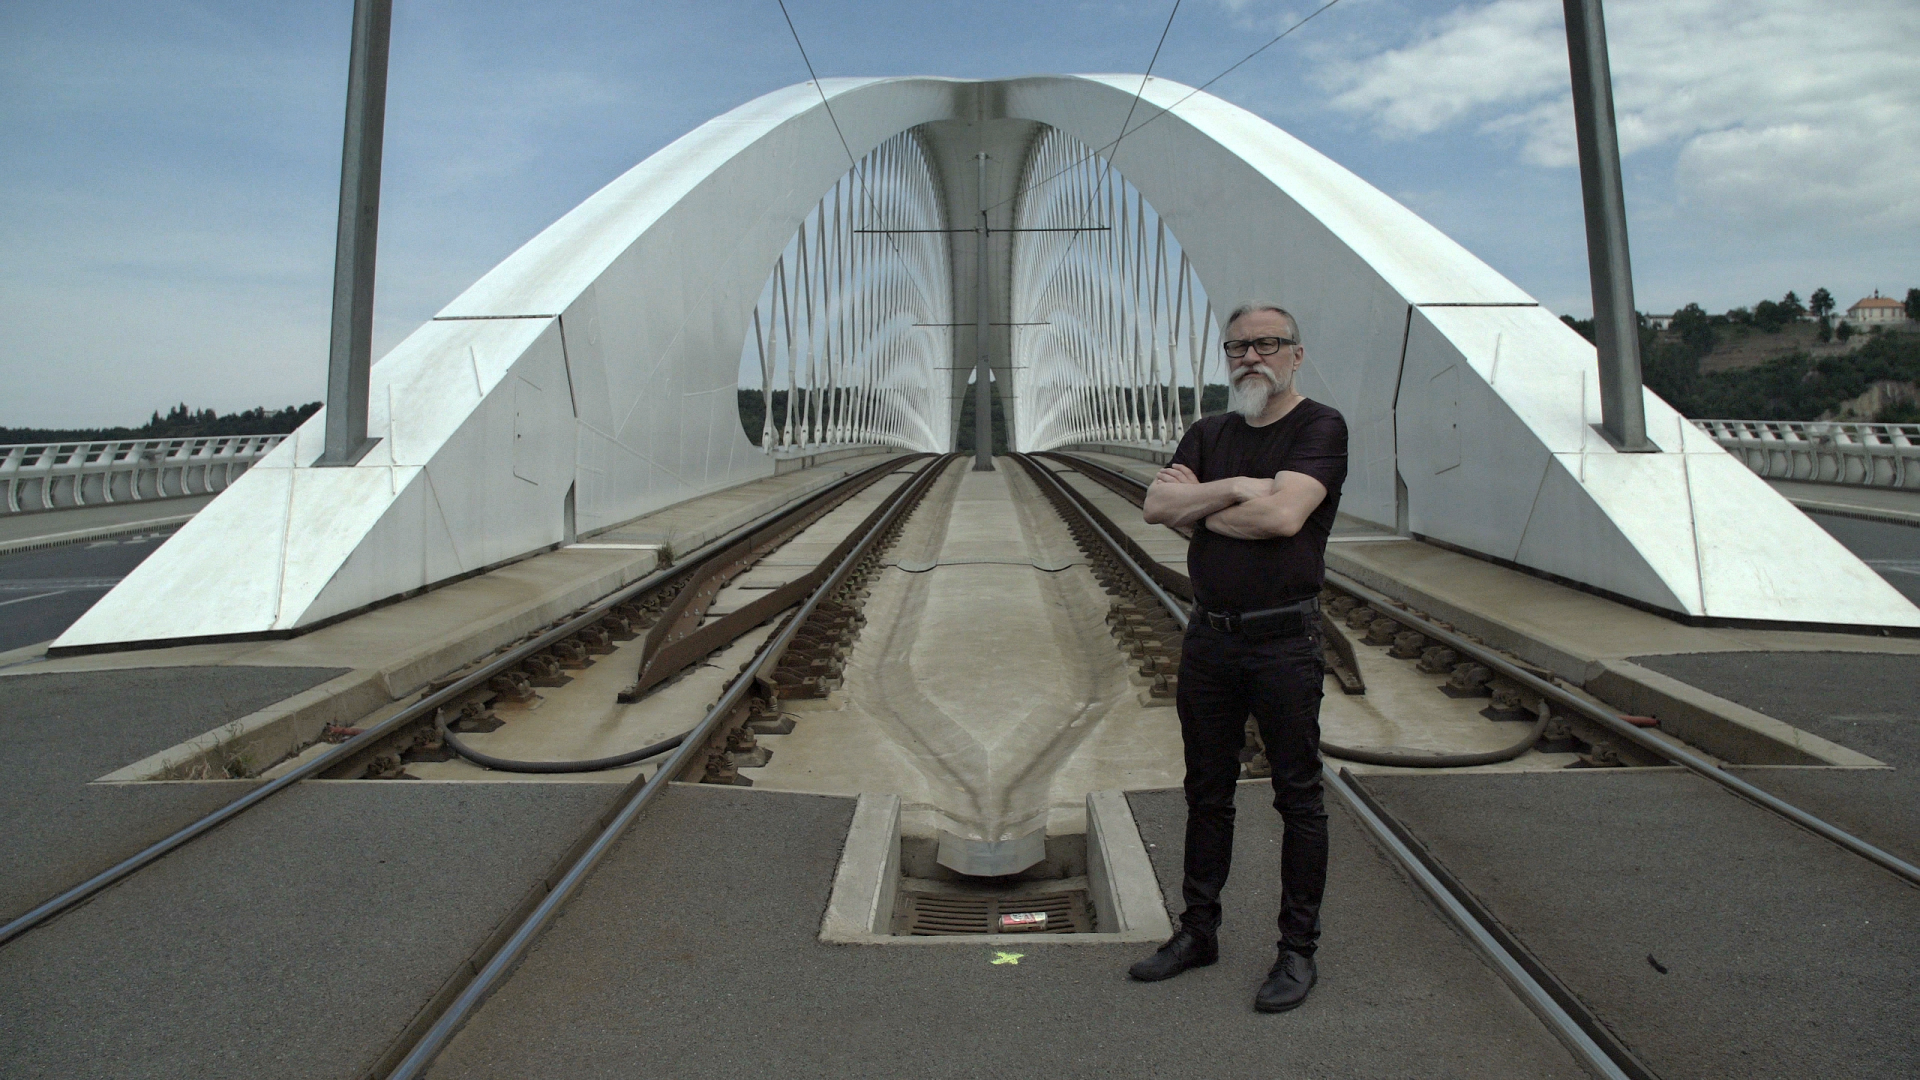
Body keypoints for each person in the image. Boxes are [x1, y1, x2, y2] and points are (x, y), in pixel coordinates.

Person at [1129, 302, 1347, 1013]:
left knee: (1298, 796)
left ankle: (1297, 950)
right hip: (1210, 638)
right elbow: (1155, 508)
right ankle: (1199, 932)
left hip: (1284, 640)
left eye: (1267, 344)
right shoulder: (1210, 432)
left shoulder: (1319, 427)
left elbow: (1282, 517)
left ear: (1296, 354)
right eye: (1238, 347)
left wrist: (1199, 504)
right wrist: (1234, 488)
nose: (1251, 357)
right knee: (1206, 790)